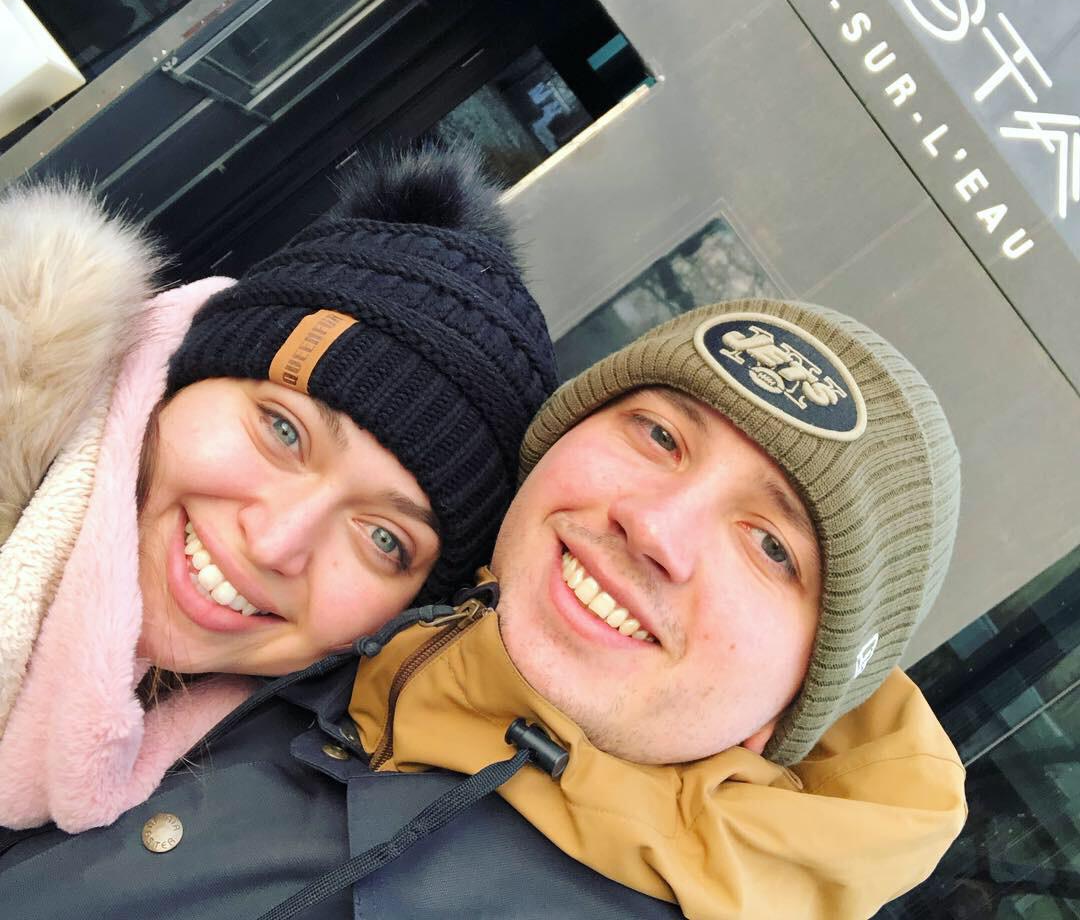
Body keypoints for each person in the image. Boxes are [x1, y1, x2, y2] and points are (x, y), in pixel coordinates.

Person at [0, 299, 966, 920]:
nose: (654, 527)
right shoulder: (315, 639)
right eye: (660, 435)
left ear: (789, 709)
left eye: (771, 547)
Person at [0, 148, 557, 833]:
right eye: (284, 431)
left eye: (385, 539)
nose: (274, 543)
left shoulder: (254, 812)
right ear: (180, 378)